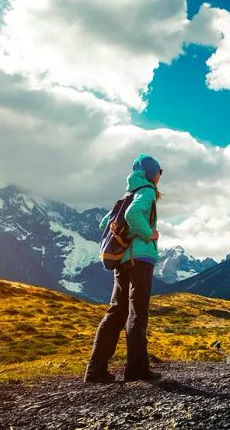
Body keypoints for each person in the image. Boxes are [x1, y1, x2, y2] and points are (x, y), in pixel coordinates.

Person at [84, 154, 163, 383]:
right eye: (160, 171)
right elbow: (132, 214)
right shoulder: (146, 191)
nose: (160, 176)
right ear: (153, 174)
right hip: (140, 259)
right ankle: (136, 369)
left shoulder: (127, 194)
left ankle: (95, 370)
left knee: (117, 311)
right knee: (138, 311)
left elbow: (104, 223)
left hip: (122, 260)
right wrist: (149, 234)